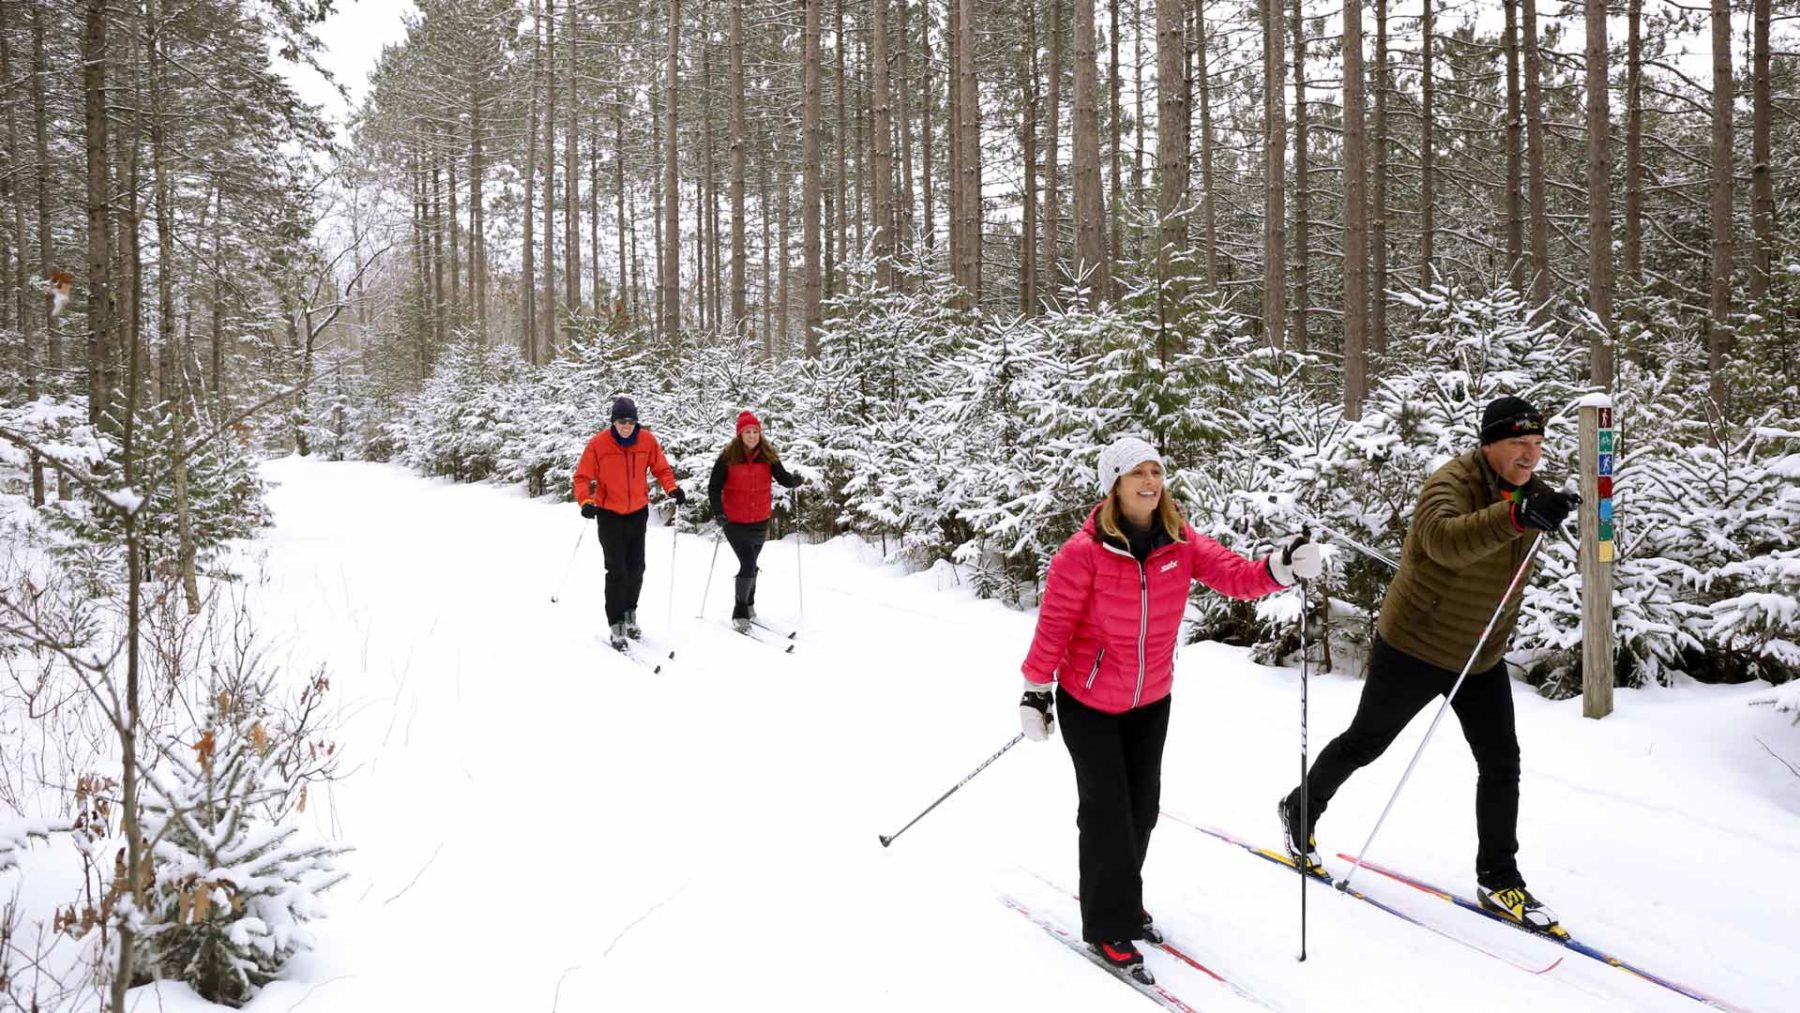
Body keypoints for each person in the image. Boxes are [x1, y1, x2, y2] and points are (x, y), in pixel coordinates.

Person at [1018, 435, 1321, 975]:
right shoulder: (1081, 554)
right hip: (1088, 702)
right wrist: (1036, 689)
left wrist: (1280, 566)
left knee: (1142, 810)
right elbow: (1054, 627)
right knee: (1107, 814)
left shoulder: (1180, 543)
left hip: (1151, 699)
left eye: (1156, 472)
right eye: (1137, 473)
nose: (1150, 483)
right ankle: (1109, 925)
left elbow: (1235, 574)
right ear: (1114, 484)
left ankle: (1122, 898)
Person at [1277, 394, 1580, 935]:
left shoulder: (1529, 494)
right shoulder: (1451, 483)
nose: (1531, 456)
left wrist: (1537, 510)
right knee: (1366, 743)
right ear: (1489, 444)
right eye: (1519, 444)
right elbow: (1443, 542)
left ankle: (1499, 877)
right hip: (1415, 644)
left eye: (1537, 445)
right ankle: (1300, 810)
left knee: (1501, 760)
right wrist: (1515, 516)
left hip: (1479, 654)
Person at [573, 396, 687, 648]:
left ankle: (629, 613)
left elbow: (662, 469)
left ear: (637, 422)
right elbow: (582, 477)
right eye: (621, 421)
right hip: (609, 513)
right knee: (617, 570)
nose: (626, 426)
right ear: (613, 422)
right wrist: (586, 501)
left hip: (637, 512)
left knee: (637, 568)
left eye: (631, 421)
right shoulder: (598, 444)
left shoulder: (647, 441)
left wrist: (672, 488)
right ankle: (615, 622)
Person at [707, 410, 805, 633]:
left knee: (752, 563)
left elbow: (782, 477)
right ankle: (740, 611)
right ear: (739, 434)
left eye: (755, 431)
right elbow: (714, 488)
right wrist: (719, 512)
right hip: (734, 520)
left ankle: (750, 603)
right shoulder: (727, 457)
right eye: (747, 432)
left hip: (759, 519)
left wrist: (793, 481)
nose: (752, 436)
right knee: (748, 562)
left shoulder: (768, 456)